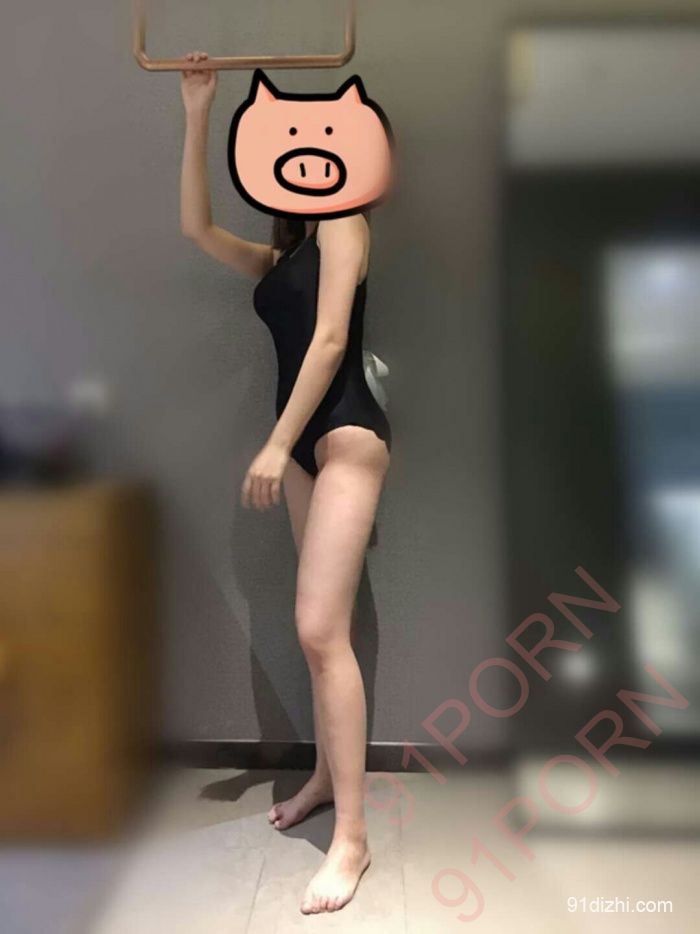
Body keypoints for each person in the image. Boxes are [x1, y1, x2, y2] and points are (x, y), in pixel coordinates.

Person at [179, 52, 392, 914]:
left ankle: (353, 840)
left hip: (342, 439)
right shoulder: (284, 249)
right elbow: (198, 229)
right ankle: (324, 780)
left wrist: (275, 445)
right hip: (303, 447)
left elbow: (332, 338)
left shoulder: (346, 221)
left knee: (318, 629)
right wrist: (199, 111)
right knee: (320, 632)